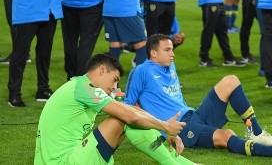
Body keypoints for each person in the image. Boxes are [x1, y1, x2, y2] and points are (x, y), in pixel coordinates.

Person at [124, 34, 272, 160]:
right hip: (180, 128)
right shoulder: (141, 71)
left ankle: (257, 133)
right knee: (226, 135)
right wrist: (158, 129)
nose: (172, 54)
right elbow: (128, 106)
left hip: (194, 114)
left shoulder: (171, 65)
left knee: (230, 81)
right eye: (167, 50)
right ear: (153, 53)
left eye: (172, 49)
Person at [34, 53, 194, 164]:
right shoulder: (85, 87)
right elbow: (129, 115)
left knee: (125, 113)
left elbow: (130, 109)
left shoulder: (78, 86)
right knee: (122, 117)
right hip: (65, 161)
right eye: (114, 80)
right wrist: (165, 127)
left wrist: (164, 126)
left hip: (59, 159)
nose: (114, 87)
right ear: (102, 70)